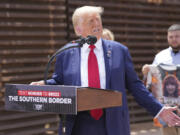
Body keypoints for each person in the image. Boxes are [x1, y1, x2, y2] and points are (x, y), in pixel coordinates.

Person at [31, 7, 180, 135]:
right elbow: (59, 81)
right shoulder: (66, 53)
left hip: (112, 123)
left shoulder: (119, 51)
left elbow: (135, 86)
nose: (96, 24)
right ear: (78, 29)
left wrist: (159, 110)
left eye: (98, 20)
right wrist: (45, 84)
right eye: (90, 21)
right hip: (78, 123)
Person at [142, 24, 180, 135]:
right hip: (167, 109)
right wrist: (146, 72)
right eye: (171, 37)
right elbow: (151, 80)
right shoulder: (160, 56)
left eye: (177, 36)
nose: (174, 39)